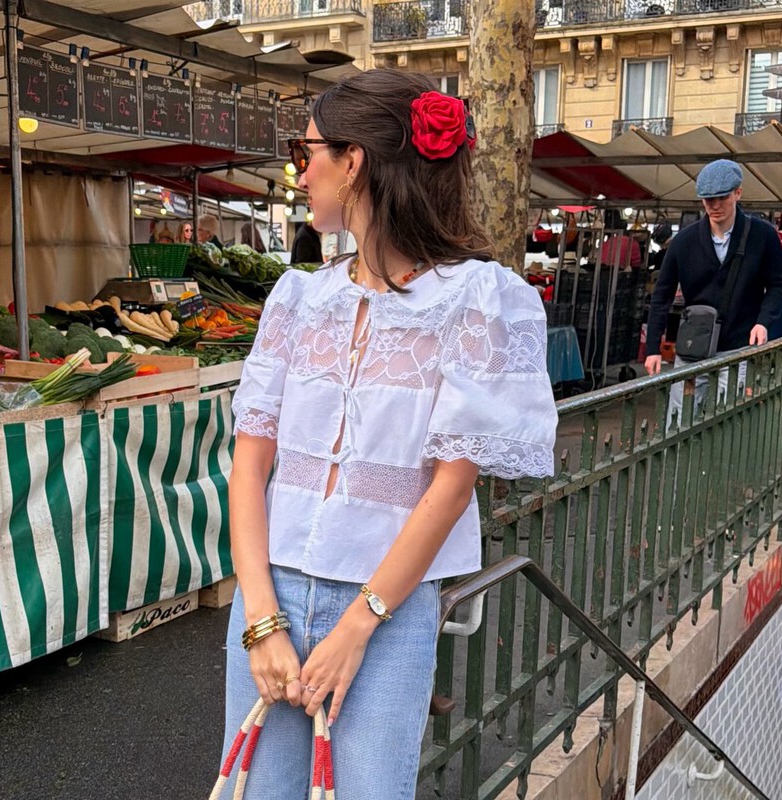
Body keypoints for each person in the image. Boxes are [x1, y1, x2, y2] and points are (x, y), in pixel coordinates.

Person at [218, 69, 558, 798]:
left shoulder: (475, 301)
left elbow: (452, 486)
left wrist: (356, 627)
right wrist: (261, 619)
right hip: (268, 597)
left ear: (355, 162)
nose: (299, 172)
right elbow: (248, 466)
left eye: (306, 151)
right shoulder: (298, 298)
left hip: (386, 613)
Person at [644, 159, 782, 425]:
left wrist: (763, 322)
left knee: (732, 423)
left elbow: (778, 284)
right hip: (693, 346)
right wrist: (653, 348)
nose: (715, 205)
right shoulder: (683, 242)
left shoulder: (763, 235)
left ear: (738, 193)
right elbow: (662, 296)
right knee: (679, 424)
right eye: (708, 199)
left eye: (722, 197)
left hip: (739, 346)